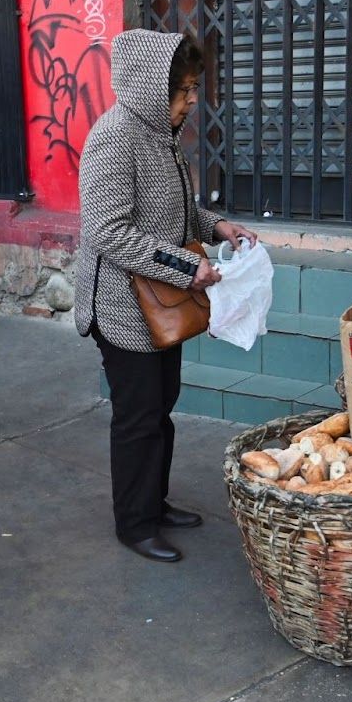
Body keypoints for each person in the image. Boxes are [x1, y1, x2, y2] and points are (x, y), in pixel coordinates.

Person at [74, 31, 259, 564]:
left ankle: (153, 503)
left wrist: (217, 225)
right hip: (124, 305)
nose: (192, 100)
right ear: (149, 86)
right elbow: (107, 230)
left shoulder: (162, 134)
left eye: (194, 88)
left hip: (162, 303)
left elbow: (177, 211)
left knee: (161, 407)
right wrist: (186, 266)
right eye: (184, 90)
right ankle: (134, 523)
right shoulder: (114, 137)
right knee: (138, 416)